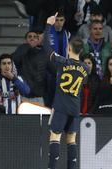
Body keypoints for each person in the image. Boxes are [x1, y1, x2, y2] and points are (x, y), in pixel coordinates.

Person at [44, 13, 88, 169]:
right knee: (71, 139)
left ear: (69, 48)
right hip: (75, 107)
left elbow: (46, 47)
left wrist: (48, 25)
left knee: (55, 136)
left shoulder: (63, 62)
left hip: (61, 105)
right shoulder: (86, 68)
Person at [12, 30, 48, 105]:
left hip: (39, 97)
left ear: (38, 41)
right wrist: (25, 47)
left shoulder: (44, 54)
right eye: (29, 37)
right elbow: (13, 61)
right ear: (25, 40)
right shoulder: (20, 51)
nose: (32, 38)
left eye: (35, 37)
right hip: (23, 97)